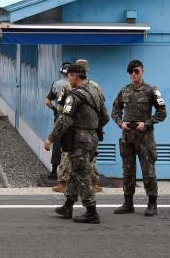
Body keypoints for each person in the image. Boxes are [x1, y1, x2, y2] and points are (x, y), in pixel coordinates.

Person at [44, 63, 109, 224]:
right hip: (92, 139)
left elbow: (64, 119)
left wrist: (51, 138)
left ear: (75, 76)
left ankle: (91, 211)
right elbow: (105, 117)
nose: (68, 79)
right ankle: (68, 205)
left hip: (79, 140)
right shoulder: (96, 92)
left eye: (69, 76)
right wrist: (92, 128)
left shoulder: (74, 96)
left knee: (82, 174)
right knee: (76, 171)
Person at [111, 59, 167, 216]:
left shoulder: (151, 90)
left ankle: (152, 204)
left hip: (145, 137)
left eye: (136, 71)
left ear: (143, 71)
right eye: (131, 72)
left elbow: (162, 112)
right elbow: (115, 111)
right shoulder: (124, 91)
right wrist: (120, 123)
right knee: (128, 171)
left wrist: (147, 123)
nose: (134, 74)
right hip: (128, 136)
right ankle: (128, 203)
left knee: (148, 171)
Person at [51, 59, 104, 194]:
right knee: (83, 158)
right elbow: (104, 113)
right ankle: (72, 187)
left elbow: (61, 109)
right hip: (88, 131)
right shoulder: (93, 87)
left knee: (73, 157)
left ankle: (82, 188)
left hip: (75, 130)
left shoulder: (74, 87)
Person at [45, 62, 71, 191]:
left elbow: (47, 101)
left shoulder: (56, 84)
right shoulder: (74, 84)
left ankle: (54, 171)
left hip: (59, 117)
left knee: (57, 143)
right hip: (72, 119)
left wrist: (55, 110)